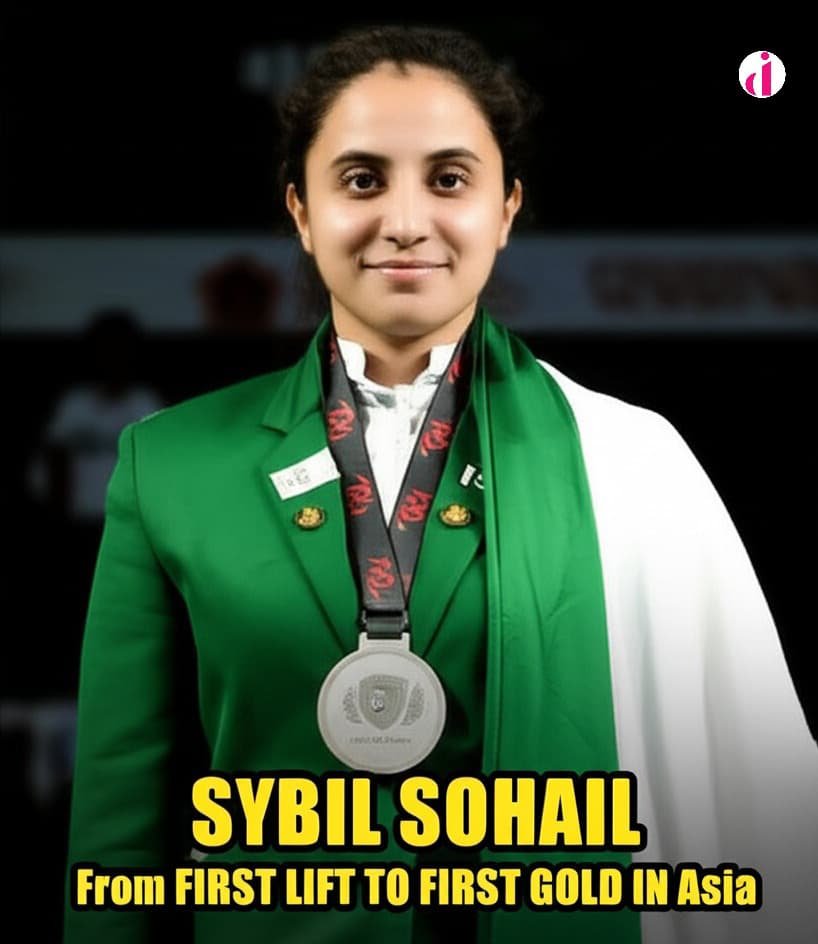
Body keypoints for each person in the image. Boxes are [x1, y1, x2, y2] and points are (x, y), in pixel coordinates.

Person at [63, 23, 818, 944]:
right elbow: (120, 831)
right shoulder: (170, 463)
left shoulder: (633, 457)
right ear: (302, 211)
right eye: (362, 179)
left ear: (505, 209)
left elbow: (746, 783)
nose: (407, 220)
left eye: (450, 179)